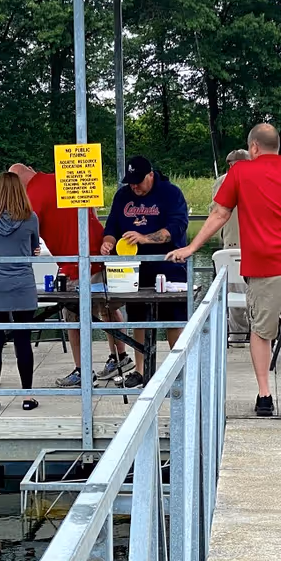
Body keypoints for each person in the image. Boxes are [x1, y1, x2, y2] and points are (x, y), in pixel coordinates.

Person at [166, 124, 281, 422]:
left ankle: (265, 397)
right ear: (277, 146)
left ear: (253, 147)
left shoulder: (240, 173)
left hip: (266, 267)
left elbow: (220, 213)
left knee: (261, 333)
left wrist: (191, 247)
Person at [8, 163, 134, 388]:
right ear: (30, 168)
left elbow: (25, 235)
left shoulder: (31, 196)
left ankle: (82, 371)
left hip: (74, 261)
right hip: (101, 248)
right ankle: (120, 358)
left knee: (73, 316)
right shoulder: (64, 176)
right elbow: (91, 206)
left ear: (17, 180)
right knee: (109, 307)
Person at [101, 155, 189, 388]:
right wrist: (108, 243)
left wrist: (144, 238)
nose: (134, 187)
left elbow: (175, 229)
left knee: (174, 319)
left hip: (169, 265)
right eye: (130, 182)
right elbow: (111, 228)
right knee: (138, 317)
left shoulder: (171, 193)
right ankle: (140, 371)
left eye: (138, 181)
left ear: (151, 175)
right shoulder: (123, 196)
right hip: (134, 269)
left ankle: (177, 370)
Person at [0, 172, 41, 412]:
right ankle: (27, 396)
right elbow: (35, 246)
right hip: (22, 284)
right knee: (22, 342)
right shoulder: (30, 218)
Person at [210, 149, 251, 343]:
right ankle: (261, 335)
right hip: (259, 246)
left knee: (234, 294)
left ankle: (238, 336)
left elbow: (215, 211)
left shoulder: (222, 182)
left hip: (231, 247)